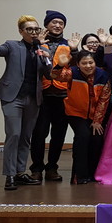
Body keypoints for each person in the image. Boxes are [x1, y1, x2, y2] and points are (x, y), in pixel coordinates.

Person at [0, 17, 49, 190]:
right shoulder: (12, 45)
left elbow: (48, 72)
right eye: (29, 29)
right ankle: (9, 175)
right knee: (14, 134)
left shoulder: (41, 49)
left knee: (25, 137)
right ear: (21, 31)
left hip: (33, 98)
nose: (34, 33)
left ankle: (19, 173)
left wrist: (47, 58)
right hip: (12, 97)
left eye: (36, 29)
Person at [51, 49, 111, 184]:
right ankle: (79, 176)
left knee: (97, 138)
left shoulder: (103, 76)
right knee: (83, 136)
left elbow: (104, 100)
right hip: (75, 113)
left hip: (95, 115)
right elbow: (55, 76)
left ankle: (94, 174)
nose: (88, 66)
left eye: (91, 62)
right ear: (78, 64)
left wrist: (97, 121)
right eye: (84, 63)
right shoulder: (72, 73)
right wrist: (60, 65)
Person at [29, 9, 70, 182]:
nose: (58, 25)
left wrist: (75, 51)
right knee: (39, 133)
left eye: (61, 23)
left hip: (62, 96)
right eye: (54, 22)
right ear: (46, 24)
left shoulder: (69, 45)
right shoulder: (36, 43)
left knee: (58, 135)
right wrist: (35, 44)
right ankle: (36, 168)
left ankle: (52, 167)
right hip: (42, 96)